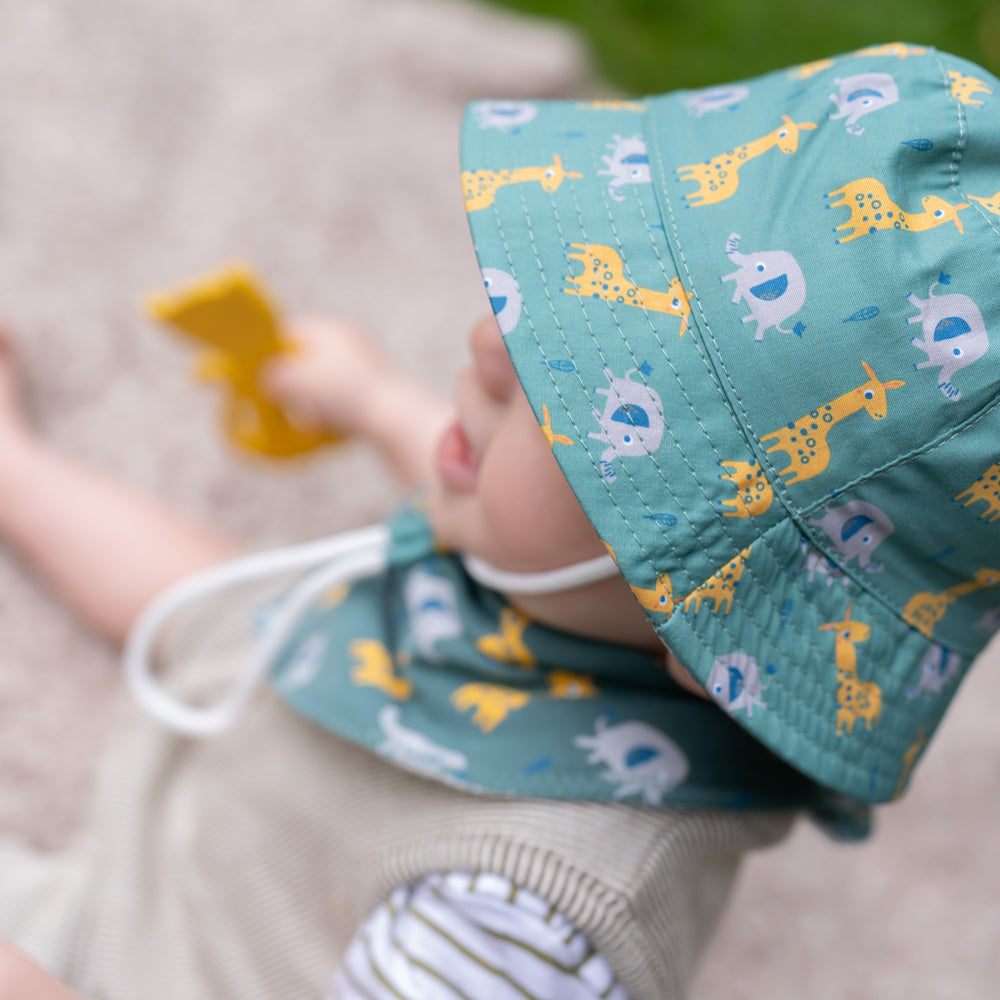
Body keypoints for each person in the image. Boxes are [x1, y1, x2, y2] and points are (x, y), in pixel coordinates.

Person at [0, 40, 998, 999]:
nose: (484, 344)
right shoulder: (577, 584)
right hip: (207, 821)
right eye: (547, 323)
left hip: (120, 968)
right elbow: (536, 510)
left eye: (573, 400)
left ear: (717, 622)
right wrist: (370, 398)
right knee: (234, 603)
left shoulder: (523, 915)